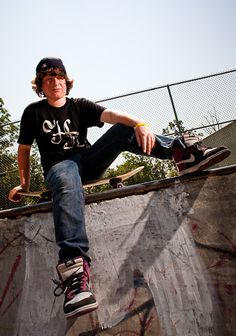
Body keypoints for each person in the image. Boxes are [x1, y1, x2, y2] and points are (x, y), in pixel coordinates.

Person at [8, 57, 230, 318]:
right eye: (48, 80)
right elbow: (24, 150)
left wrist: (140, 124)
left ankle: (182, 153)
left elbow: (111, 115)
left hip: (88, 162)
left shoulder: (80, 106)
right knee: (67, 178)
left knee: (122, 130)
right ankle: (75, 275)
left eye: (58, 78)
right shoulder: (33, 112)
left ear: (66, 82)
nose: (54, 83)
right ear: (41, 87)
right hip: (60, 168)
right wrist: (24, 184)